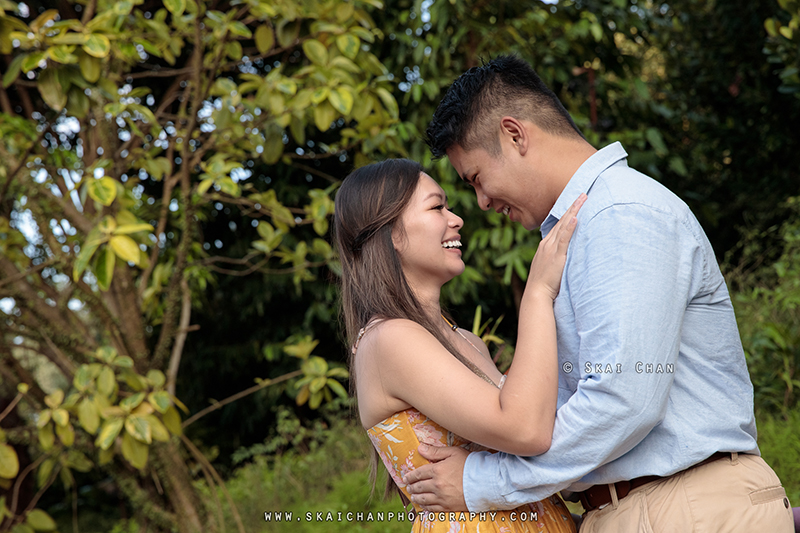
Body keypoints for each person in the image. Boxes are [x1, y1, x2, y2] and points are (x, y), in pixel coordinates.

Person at [402, 55, 795, 532]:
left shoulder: (620, 213)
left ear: (515, 135)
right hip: (639, 509)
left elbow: (622, 401)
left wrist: (482, 480)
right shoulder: (583, 227)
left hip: (684, 507)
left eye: (477, 178)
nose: (482, 203)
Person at [334, 158, 585, 532]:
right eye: (437, 207)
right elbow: (525, 430)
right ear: (391, 234)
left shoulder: (468, 341)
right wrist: (537, 292)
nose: (456, 219)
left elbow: (538, 432)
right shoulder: (389, 338)